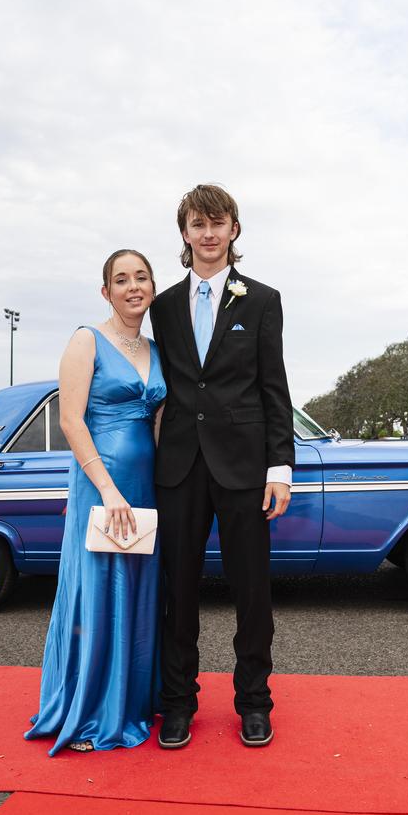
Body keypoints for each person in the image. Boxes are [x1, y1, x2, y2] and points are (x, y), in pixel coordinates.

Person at [150, 184, 294, 749]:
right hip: (180, 466)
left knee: (252, 592)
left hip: (245, 469)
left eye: (218, 222)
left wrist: (279, 468)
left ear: (234, 229)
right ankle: (178, 703)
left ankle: (254, 702)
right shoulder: (161, 307)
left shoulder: (262, 300)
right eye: (197, 223)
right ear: (184, 234)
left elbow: (273, 387)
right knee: (177, 591)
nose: (208, 233)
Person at [24, 249, 166, 754]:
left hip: (146, 488)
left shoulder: (155, 348)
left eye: (141, 277)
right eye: (121, 279)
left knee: (137, 591)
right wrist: (106, 490)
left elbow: (158, 423)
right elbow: (70, 420)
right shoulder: (86, 339)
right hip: (102, 486)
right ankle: (87, 712)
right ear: (106, 291)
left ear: (152, 287)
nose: (133, 286)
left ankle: (127, 703)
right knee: (98, 590)